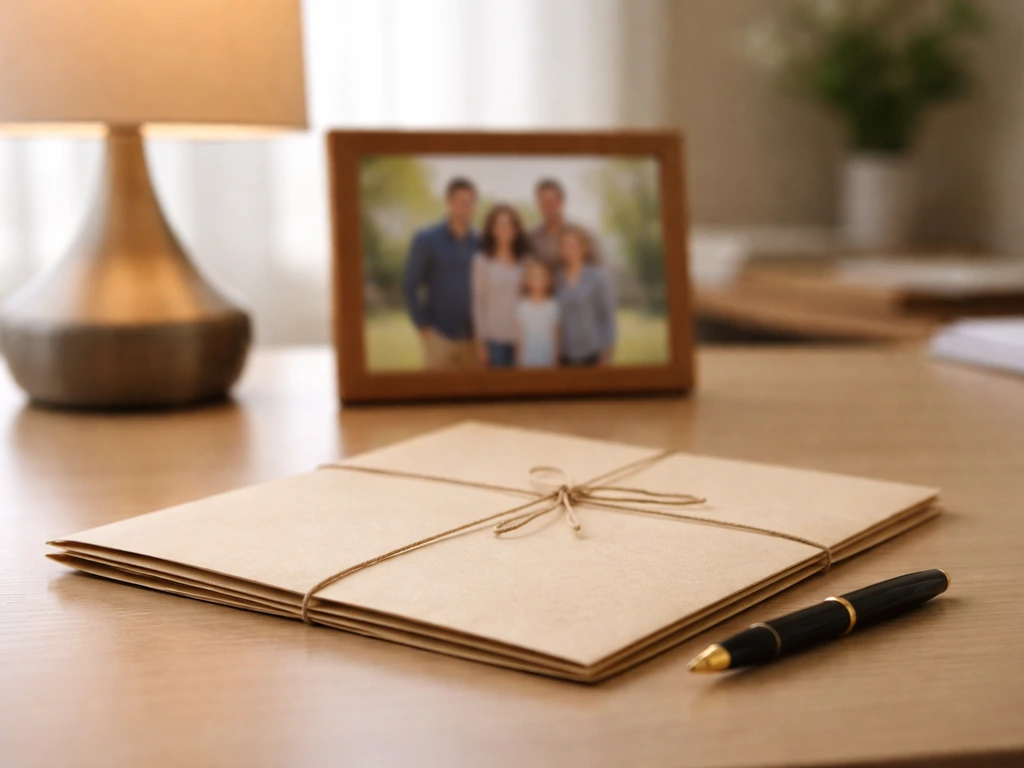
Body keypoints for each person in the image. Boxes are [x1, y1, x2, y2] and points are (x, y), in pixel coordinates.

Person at [402, 178, 479, 370]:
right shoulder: (427, 239)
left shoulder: (481, 241)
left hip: (473, 339)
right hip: (439, 336)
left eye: (469, 202)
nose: (465, 207)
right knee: (434, 396)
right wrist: (422, 326)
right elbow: (409, 285)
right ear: (449, 202)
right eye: (460, 202)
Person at [471, 204, 529, 368]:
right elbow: (478, 302)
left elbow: (528, 300)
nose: (505, 229)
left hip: (521, 339)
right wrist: (480, 342)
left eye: (509, 224)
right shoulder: (481, 261)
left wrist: (524, 338)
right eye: (500, 224)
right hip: (493, 339)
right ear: (492, 229)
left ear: (516, 230)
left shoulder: (525, 262)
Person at [556, 225, 616, 367]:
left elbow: (607, 317)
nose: (569, 250)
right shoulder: (558, 279)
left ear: (584, 248)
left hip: (593, 353)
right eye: (565, 246)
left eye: (574, 245)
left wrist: (607, 353)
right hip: (565, 355)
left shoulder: (598, 277)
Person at [528, 178, 604, 272]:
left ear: (562, 202)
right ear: (538, 204)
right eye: (544, 202)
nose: (548, 206)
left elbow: (600, 267)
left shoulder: (583, 234)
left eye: (552, 201)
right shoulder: (532, 238)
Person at [516, 258, 559, 368]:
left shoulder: (552, 306)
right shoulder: (522, 307)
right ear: (527, 280)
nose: (537, 280)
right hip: (527, 361)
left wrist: (555, 360)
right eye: (534, 277)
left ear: (548, 280)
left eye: (541, 276)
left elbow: (556, 336)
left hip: (547, 361)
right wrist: (519, 361)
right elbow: (519, 338)